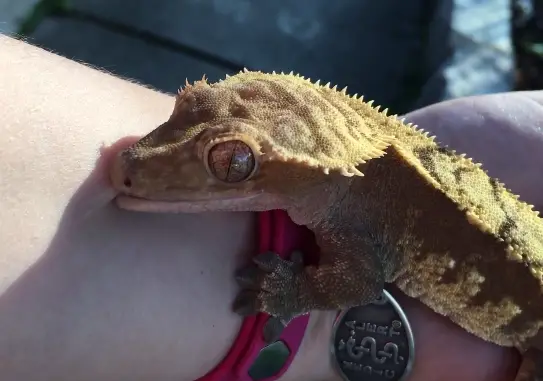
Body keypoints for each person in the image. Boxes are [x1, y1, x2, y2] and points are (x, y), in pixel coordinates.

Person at [1, 34, 540, 381]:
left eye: (233, 165)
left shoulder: (350, 203)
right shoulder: (340, 169)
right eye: (188, 106)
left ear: (313, 172)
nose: (134, 162)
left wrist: (294, 291)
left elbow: (356, 285)